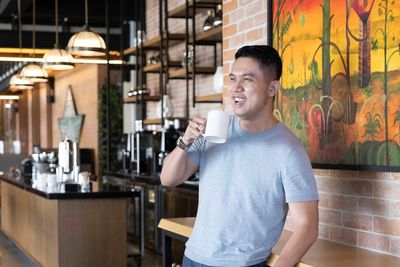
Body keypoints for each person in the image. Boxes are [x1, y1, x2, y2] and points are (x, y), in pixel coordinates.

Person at [160, 45, 319, 267]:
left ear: (272, 88)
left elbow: (307, 226)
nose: (236, 88)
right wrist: (185, 141)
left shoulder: (289, 150)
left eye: (247, 80)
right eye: (233, 79)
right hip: (193, 258)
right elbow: (168, 179)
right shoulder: (216, 130)